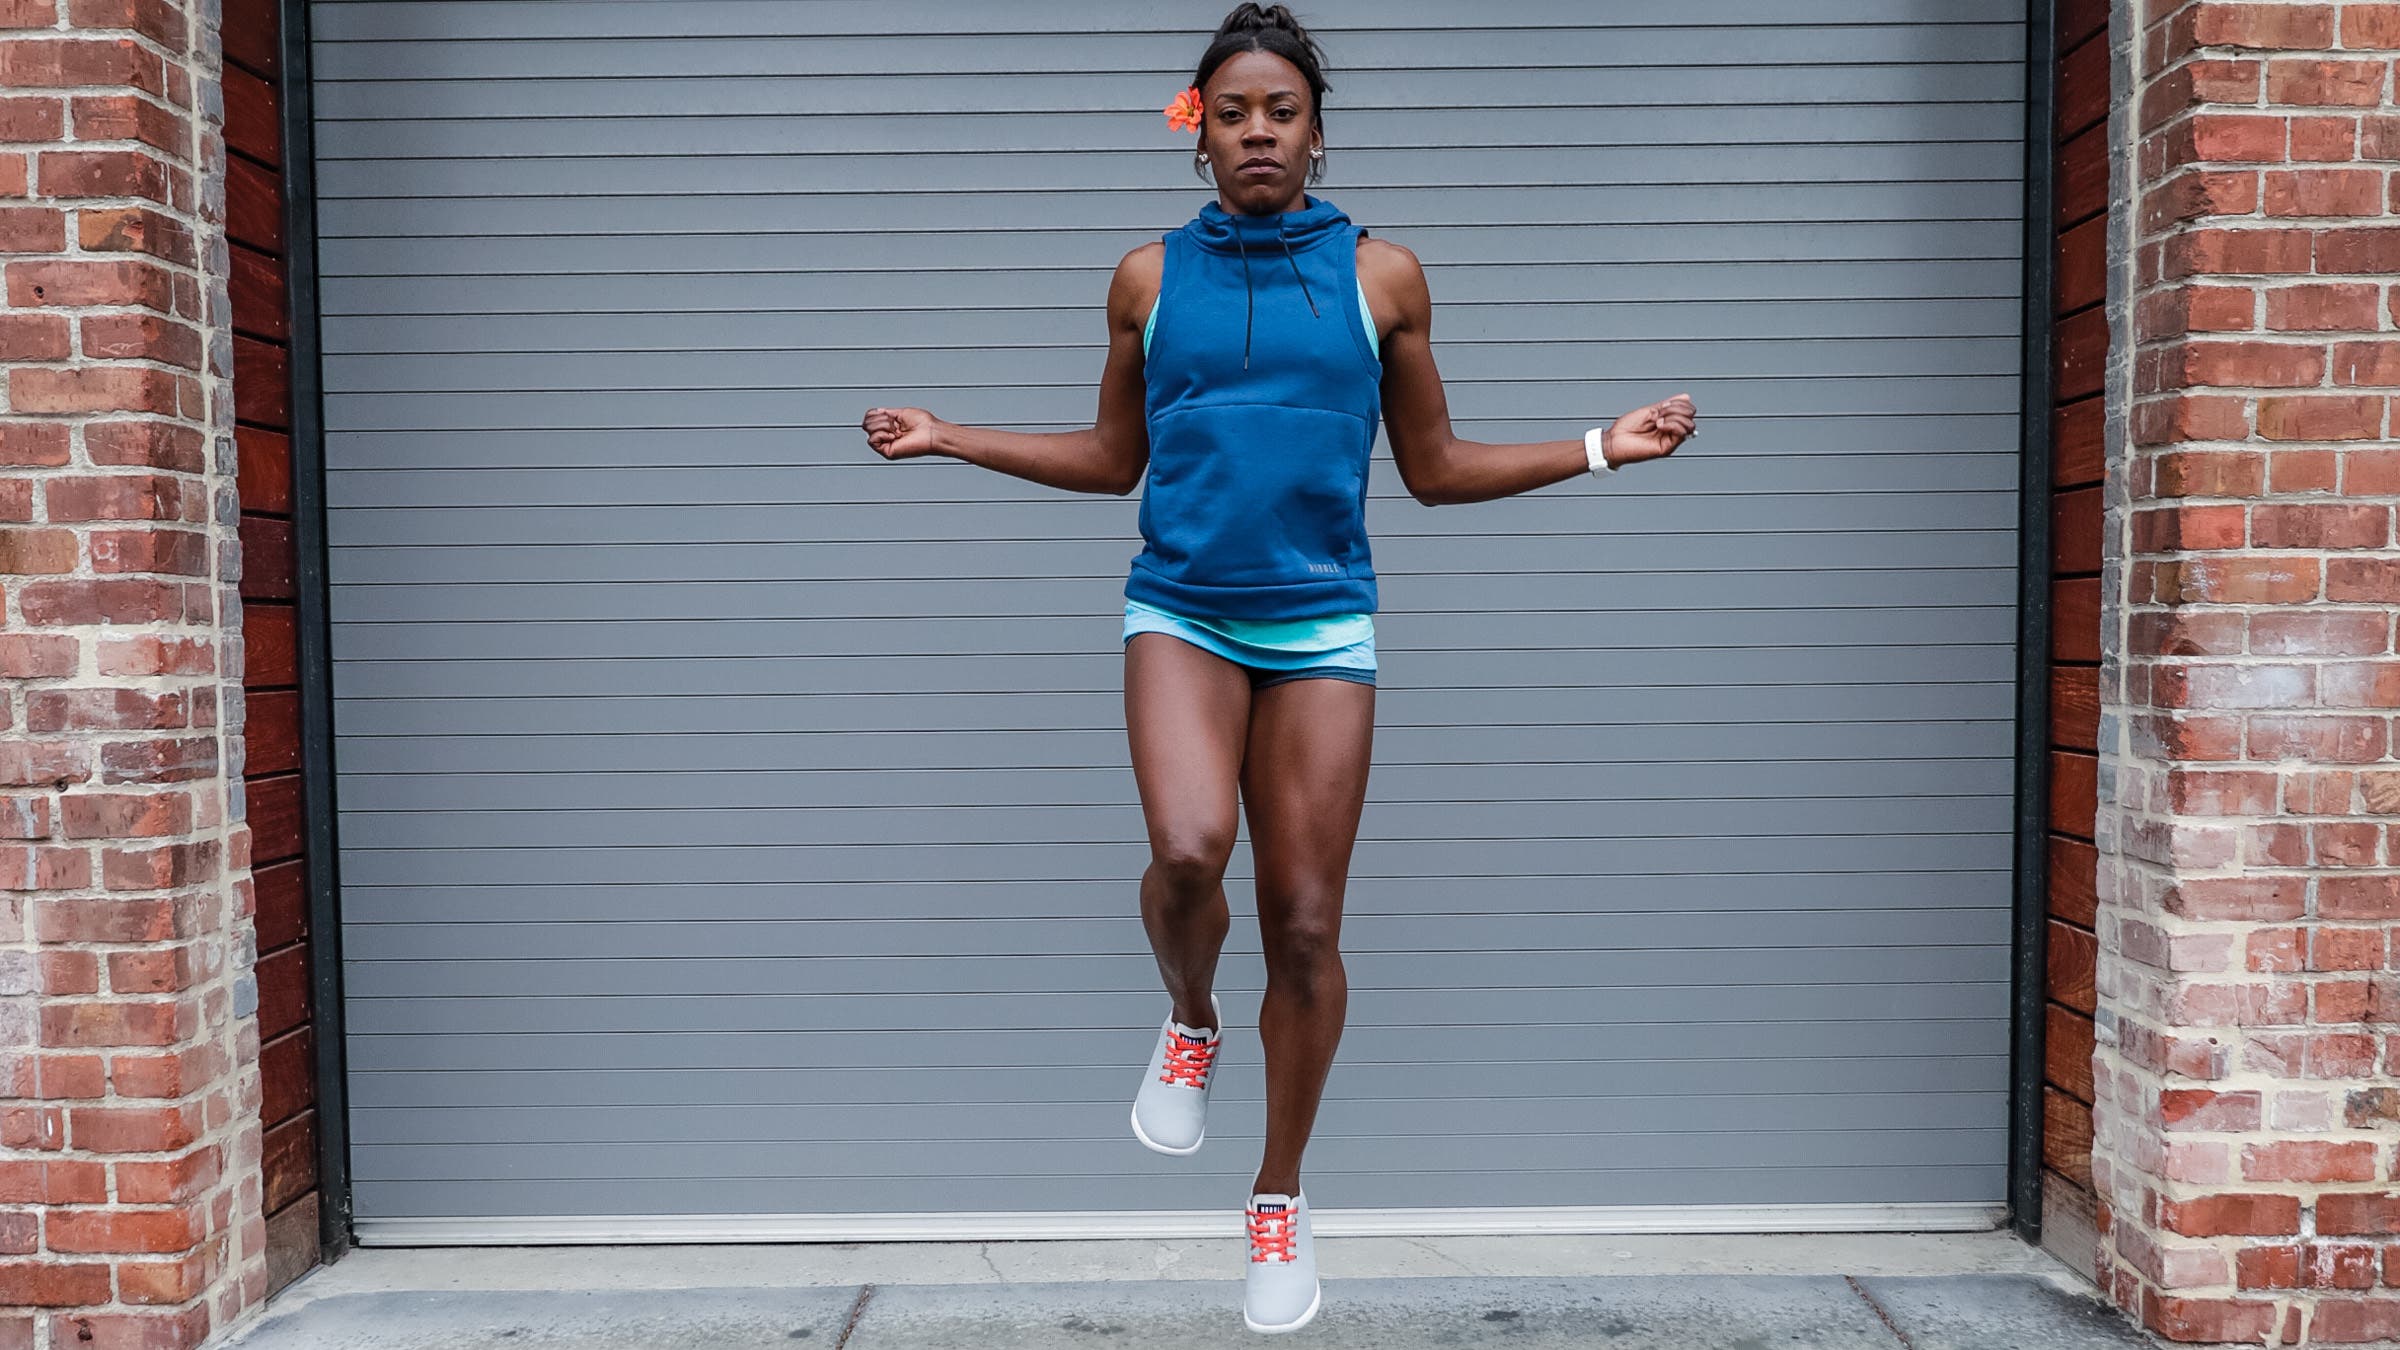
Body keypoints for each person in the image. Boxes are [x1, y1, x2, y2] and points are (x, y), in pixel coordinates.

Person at [863, 3, 1696, 1333]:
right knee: (1191, 850)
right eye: (1235, 112)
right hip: (1181, 609)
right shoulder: (1147, 278)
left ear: (1317, 131)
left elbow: (1433, 470)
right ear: (1200, 136)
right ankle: (1189, 1013)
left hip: (1321, 626)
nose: (1260, 131)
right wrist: (950, 433)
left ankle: (1279, 1196)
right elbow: (1111, 458)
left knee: (1306, 922)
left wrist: (1603, 445)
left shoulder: (1385, 277)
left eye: (1283, 111)